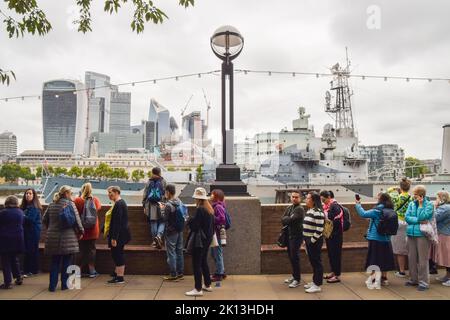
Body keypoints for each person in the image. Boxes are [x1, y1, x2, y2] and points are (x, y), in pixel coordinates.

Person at [43, 186, 84, 292]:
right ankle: (64, 285)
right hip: (68, 237)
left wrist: (51, 228)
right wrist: (81, 232)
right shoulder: (70, 204)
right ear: (66, 193)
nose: (71, 194)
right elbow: (77, 221)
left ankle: (52, 286)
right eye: (70, 192)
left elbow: (44, 219)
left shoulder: (52, 205)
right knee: (66, 262)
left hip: (52, 238)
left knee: (54, 262)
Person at [356, 193, 396, 289]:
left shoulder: (377, 210)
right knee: (385, 258)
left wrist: (358, 204)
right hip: (386, 238)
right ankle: (384, 278)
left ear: (381, 200)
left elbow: (363, 214)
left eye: (378, 198)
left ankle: (374, 278)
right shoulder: (390, 209)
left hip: (375, 238)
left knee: (374, 259)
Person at [185, 187, 214, 297]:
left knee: (196, 264)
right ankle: (207, 284)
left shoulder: (200, 210)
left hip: (199, 242)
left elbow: (195, 227)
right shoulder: (209, 209)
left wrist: (189, 220)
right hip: (207, 240)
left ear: (198, 199)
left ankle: (198, 289)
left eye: (195, 198)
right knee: (203, 262)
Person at [404, 185, 434, 291]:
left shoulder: (429, 204)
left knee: (423, 259)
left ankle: (424, 282)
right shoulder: (411, 204)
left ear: (421, 195)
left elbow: (423, 217)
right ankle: (413, 279)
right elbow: (407, 218)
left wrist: (421, 206)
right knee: (411, 258)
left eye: (415, 194)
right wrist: (418, 220)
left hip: (422, 234)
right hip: (410, 234)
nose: (413, 196)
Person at [74, 183, 102, 278]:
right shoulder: (95, 200)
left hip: (81, 229)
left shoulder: (77, 200)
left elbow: (75, 211)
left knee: (80, 250)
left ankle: (78, 271)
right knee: (91, 250)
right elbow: (99, 208)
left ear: (81, 190)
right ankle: (92, 270)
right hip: (93, 229)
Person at [388, 178, 413, 278]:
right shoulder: (412, 198)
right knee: (411, 248)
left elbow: (386, 193)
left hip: (399, 223)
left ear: (400, 187)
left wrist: (393, 188)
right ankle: (413, 271)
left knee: (399, 249)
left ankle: (402, 271)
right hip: (410, 223)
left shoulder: (396, 198)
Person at [107, 186, 131, 284]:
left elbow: (117, 223)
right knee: (117, 253)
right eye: (108, 193)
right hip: (121, 235)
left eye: (110, 193)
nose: (109, 195)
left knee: (117, 254)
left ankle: (120, 277)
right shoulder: (120, 203)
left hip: (119, 236)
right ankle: (117, 273)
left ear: (117, 192)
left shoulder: (119, 204)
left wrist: (114, 238)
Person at [160, 184, 184, 281]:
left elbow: (164, 218)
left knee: (171, 253)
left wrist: (162, 209)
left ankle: (173, 274)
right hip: (179, 229)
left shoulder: (168, 205)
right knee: (179, 251)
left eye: (165, 192)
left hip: (171, 231)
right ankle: (180, 273)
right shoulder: (179, 201)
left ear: (168, 192)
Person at [0, 196, 25, 289]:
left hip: (5, 240)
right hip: (18, 239)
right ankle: (18, 277)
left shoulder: (3, 213)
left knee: (5, 261)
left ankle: (7, 282)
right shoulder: (20, 212)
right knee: (14, 259)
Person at [281, 191, 305, 288]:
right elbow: (283, 220)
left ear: (300, 198)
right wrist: (287, 219)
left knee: (295, 258)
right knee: (291, 257)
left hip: (297, 236)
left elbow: (290, 220)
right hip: (289, 236)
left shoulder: (300, 209)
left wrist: (287, 219)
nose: (294, 199)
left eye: (296, 197)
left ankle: (297, 279)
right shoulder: (289, 208)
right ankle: (294, 275)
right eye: (293, 197)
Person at [303, 191, 325, 293]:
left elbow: (320, 229)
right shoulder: (310, 210)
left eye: (308, 198)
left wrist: (311, 241)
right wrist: (305, 240)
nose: (306, 200)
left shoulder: (318, 212)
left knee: (317, 262)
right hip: (308, 240)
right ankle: (315, 281)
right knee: (313, 262)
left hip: (314, 241)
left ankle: (317, 285)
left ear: (313, 200)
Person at [320, 190, 343, 284]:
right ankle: (333, 272)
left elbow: (334, 220)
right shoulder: (327, 206)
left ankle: (337, 275)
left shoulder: (335, 206)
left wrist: (325, 216)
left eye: (323, 199)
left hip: (336, 235)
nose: (322, 201)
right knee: (331, 254)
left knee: (336, 255)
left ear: (329, 197)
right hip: (330, 234)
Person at [20, 188, 42, 277]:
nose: (28, 195)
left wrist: (21, 215)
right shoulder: (25, 206)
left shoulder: (34, 207)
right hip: (26, 231)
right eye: (26, 193)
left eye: (30, 193)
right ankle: (26, 270)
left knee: (31, 250)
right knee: (27, 250)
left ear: (34, 195)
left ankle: (32, 270)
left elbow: (30, 220)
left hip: (33, 232)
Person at [142, 167, 167, 249]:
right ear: (160, 173)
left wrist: (144, 205)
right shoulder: (163, 181)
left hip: (151, 204)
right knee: (163, 221)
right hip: (162, 203)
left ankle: (154, 241)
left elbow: (145, 194)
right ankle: (159, 236)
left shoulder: (149, 181)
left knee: (153, 223)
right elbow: (166, 194)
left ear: (152, 172)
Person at [433, 191, 450, 286]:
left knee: (448, 258)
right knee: (447, 257)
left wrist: (435, 207)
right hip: (445, 233)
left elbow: (434, 217)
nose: (436, 200)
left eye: (437, 198)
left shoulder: (445, 208)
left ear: (441, 198)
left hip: (445, 234)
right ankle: (447, 276)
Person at [210, 189, 227, 282]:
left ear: (216, 196)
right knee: (215, 253)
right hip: (215, 233)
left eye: (212, 194)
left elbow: (222, 219)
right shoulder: (216, 206)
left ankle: (219, 274)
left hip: (217, 233)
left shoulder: (218, 207)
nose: (211, 195)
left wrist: (211, 216)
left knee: (217, 254)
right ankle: (221, 271)